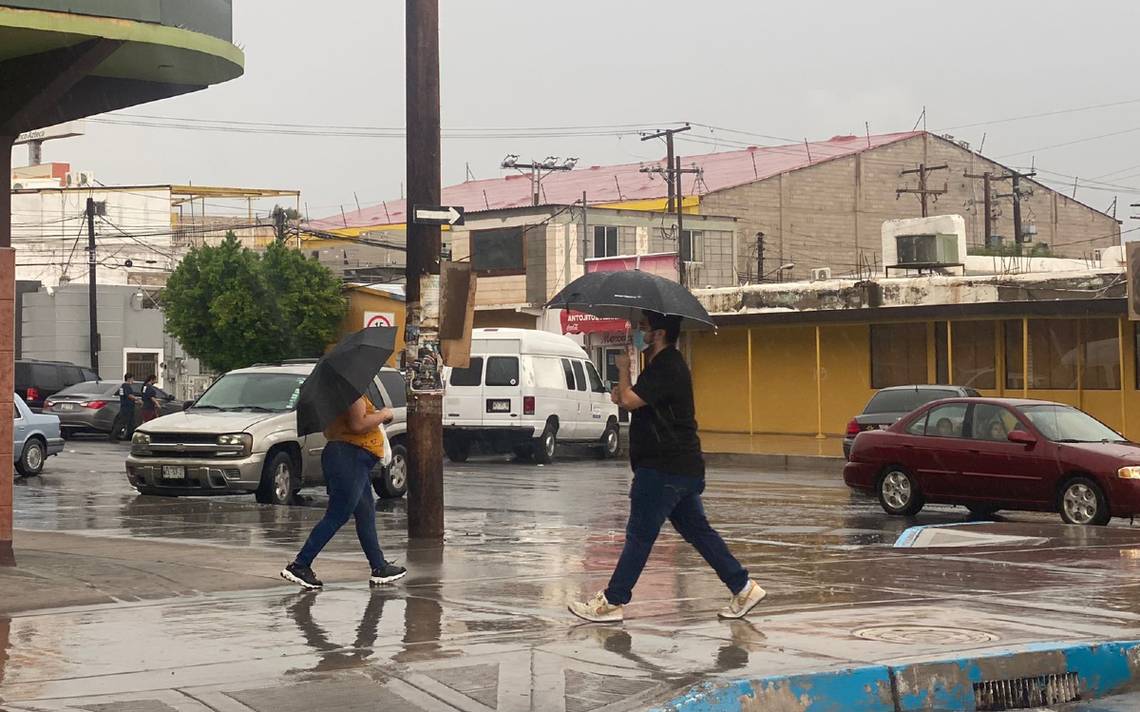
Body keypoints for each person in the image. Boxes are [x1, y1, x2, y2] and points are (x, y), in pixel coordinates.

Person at [569, 310, 766, 623]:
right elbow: (627, 398)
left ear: (659, 333)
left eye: (644, 327)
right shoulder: (660, 367)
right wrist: (625, 381)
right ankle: (742, 587)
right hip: (680, 467)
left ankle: (612, 601)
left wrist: (623, 369)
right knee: (699, 533)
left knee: (639, 535)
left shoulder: (668, 366)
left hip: (663, 468)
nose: (639, 331)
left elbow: (630, 401)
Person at [281, 392, 406, 590]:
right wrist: (383, 415)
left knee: (365, 514)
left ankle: (379, 566)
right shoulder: (350, 391)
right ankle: (300, 564)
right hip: (349, 457)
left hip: (352, 458)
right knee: (337, 515)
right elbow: (358, 424)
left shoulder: (337, 392)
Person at [115, 373, 143, 442]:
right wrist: (137, 399)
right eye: (132, 379)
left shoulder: (123, 386)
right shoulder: (126, 386)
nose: (133, 381)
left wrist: (135, 402)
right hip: (126, 408)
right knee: (122, 423)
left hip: (128, 407)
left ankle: (129, 436)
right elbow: (129, 395)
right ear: (129, 379)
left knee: (131, 423)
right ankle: (113, 436)